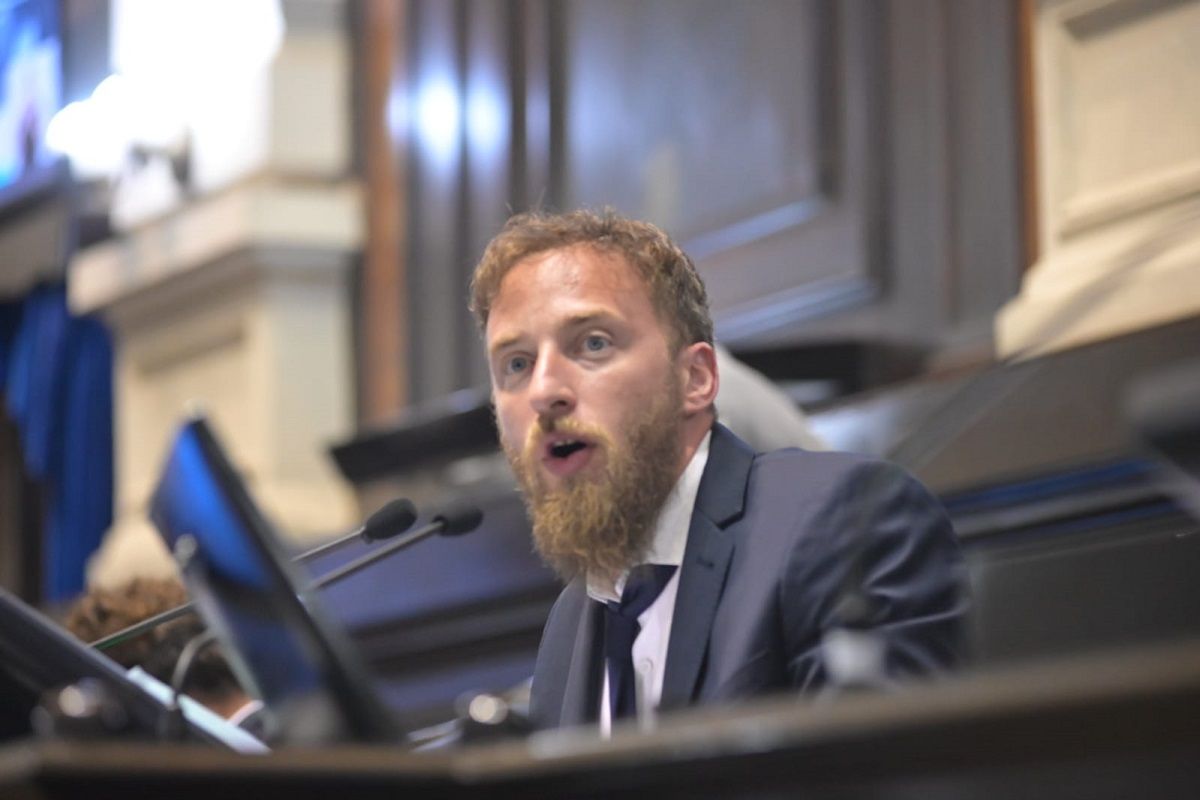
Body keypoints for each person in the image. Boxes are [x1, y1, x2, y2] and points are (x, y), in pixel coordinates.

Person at [470, 209, 966, 734]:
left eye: (593, 343)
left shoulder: (844, 523)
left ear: (696, 379)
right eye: (516, 364)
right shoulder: (571, 625)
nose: (544, 391)